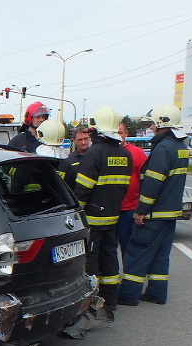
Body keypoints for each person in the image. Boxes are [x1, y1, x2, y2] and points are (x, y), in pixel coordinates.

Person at [117, 105, 189, 306]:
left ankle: (129, 295)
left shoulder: (163, 149)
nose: (150, 126)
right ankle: (156, 293)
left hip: (154, 214)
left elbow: (152, 184)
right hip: (170, 213)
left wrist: (141, 211)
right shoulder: (180, 147)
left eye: (153, 123)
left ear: (162, 123)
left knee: (137, 253)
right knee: (160, 255)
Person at [70, 106, 131, 325]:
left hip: (93, 218)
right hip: (113, 215)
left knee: (91, 261)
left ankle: (93, 303)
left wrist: (78, 211)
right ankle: (111, 301)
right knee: (110, 259)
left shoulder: (96, 153)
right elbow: (123, 187)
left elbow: (83, 187)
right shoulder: (125, 154)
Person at [116, 122, 148, 252]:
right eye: (115, 133)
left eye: (120, 132)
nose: (118, 136)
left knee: (128, 247)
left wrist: (142, 208)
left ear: (126, 134)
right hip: (110, 209)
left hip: (130, 209)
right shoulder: (107, 152)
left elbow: (146, 181)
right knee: (108, 249)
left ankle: (128, 270)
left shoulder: (138, 153)